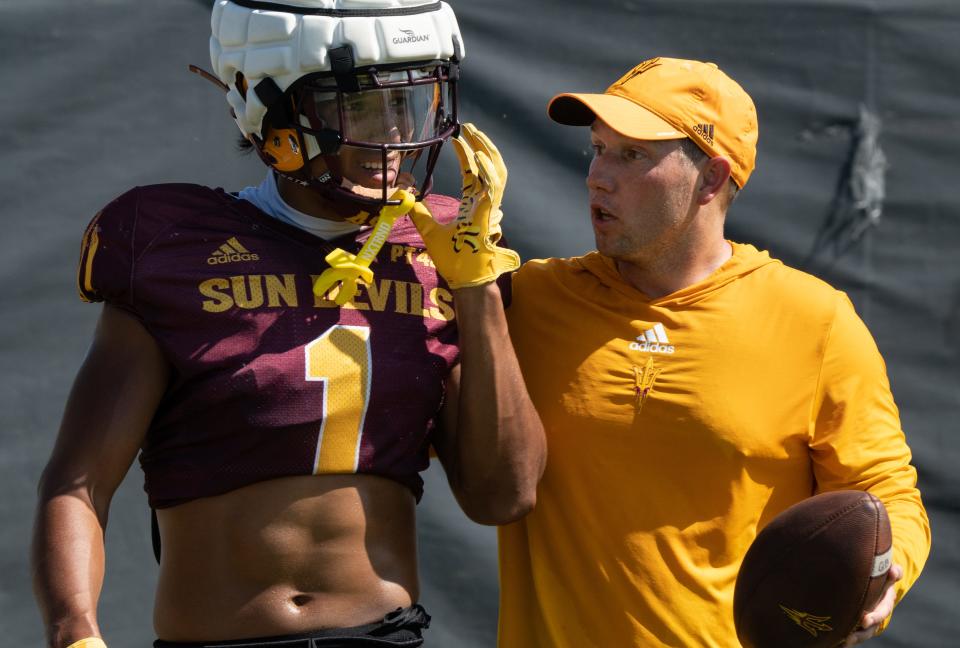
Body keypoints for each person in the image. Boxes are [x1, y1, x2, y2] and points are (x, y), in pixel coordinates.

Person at [30, 1, 544, 647]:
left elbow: (503, 498)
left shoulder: (443, 245)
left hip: (381, 635)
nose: (392, 134)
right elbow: (79, 481)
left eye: (407, 104)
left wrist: (477, 292)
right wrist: (74, 629)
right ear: (266, 110)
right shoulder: (173, 240)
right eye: (356, 107)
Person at [497, 57, 930, 647]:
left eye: (632, 156)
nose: (599, 175)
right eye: (598, 149)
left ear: (711, 178)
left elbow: (884, 489)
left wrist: (885, 572)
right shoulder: (524, 300)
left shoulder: (814, 320)